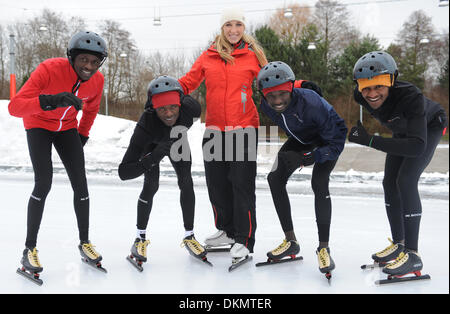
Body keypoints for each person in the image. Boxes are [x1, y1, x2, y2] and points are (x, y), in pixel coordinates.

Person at [8, 30, 108, 279]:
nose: (89, 66)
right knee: (44, 182)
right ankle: (28, 249)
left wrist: (82, 137)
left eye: (95, 62)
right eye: (84, 59)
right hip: (38, 125)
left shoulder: (97, 81)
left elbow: (91, 110)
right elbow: (15, 107)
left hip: (67, 129)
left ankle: (85, 242)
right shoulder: (49, 69)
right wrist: (50, 100)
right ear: (72, 57)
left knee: (81, 184)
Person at [177, 7, 267, 266]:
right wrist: (167, 89)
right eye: (229, 25)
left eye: (238, 24)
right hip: (215, 129)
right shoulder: (209, 56)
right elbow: (188, 82)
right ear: (222, 28)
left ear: (243, 27)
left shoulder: (253, 56)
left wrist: (298, 85)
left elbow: (274, 80)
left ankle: (245, 239)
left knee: (241, 185)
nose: (233, 30)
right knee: (217, 185)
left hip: (243, 129)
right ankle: (226, 230)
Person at [349, 51, 447, 277]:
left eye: (379, 87)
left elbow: (416, 147)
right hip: (402, 130)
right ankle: (399, 244)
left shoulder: (410, 96)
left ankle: (413, 255)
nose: (372, 94)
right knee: (389, 183)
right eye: (366, 87)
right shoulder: (359, 95)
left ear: (391, 81)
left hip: (429, 127)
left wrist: (370, 140)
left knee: (406, 179)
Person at [257, 61, 348, 277]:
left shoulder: (312, 104)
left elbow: (336, 141)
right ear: (263, 95)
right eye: (272, 96)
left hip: (328, 139)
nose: (277, 101)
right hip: (301, 138)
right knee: (274, 179)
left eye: (282, 95)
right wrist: (301, 82)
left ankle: (324, 248)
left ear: (290, 90)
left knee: (318, 182)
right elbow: (286, 84)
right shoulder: (265, 104)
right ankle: (291, 243)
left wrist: (313, 156)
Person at [118, 75, 206, 268]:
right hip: (152, 146)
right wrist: (153, 157)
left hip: (177, 141)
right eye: (162, 109)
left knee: (186, 182)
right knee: (151, 186)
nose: (168, 113)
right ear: (153, 108)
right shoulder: (145, 126)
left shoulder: (191, 109)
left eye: (173, 107)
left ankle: (189, 235)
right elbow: (123, 172)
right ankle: (139, 238)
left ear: (181, 105)